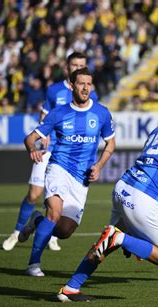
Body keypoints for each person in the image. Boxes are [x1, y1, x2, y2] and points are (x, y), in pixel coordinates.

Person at [56, 86, 158, 302]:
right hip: (144, 197)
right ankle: (119, 238)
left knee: (106, 245)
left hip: (124, 188)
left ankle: (72, 287)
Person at [19, 67, 115, 277]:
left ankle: (36, 220)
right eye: (81, 83)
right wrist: (33, 150)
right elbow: (29, 139)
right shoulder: (58, 113)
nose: (85, 88)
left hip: (81, 179)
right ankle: (33, 264)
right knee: (54, 212)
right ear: (72, 85)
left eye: (89, 84)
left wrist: (99, 166)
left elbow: (111, 143)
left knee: (64, 231)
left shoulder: (101, 113)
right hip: (59, 168)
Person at [2, 52, 99, 252]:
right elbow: (44, 117)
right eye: (74, 64)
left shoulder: (91, 93)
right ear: (67, 67)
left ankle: (50, 232)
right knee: (34, 194)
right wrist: (43, 135)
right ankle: (18, 230)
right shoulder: (55, 90)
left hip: (70, 156)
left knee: (57, 202)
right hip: (49, 150)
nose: (77, 67)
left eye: (81, 65)